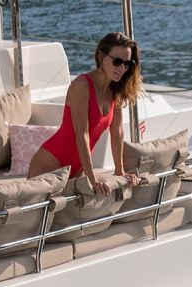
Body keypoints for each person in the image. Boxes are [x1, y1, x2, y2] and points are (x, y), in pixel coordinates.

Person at [29, 32, 144, 194]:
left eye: (127, 64)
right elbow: (81, 134)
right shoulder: (82, 85)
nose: (122, 68)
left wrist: (120, 170)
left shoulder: (115, 90)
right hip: (49, 165)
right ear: (101, 56)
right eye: (117, 62)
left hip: (78, 169)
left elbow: (117, 131)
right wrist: (93, 179)